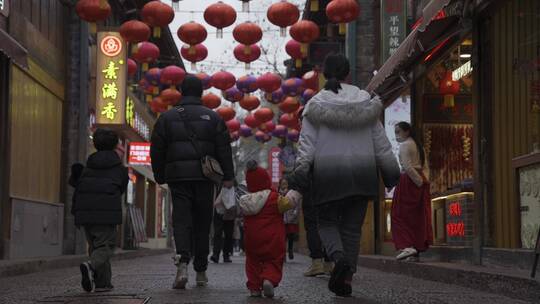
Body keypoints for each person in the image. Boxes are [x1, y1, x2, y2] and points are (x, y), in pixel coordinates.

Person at [290, 53, 400, 297]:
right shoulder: (366, 102)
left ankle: (338, 260)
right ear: (348, 74)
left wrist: (299, 177)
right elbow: (381, 143)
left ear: (323, 76)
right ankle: (346, 279)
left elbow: (306, 146)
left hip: (328, 176)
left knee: (327, 223)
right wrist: (392, 173)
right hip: (363, 175)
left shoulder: (315, 105)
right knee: (352, 229)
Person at [150, 75, 235, 289]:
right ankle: (201, 271)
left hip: (178, 176)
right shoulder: (213, 118)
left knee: (181, 220)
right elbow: (224, 150)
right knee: (202, 223)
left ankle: (182, 264)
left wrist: (159, 175)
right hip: (205, 178)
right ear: (200, 93)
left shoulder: (167, 118)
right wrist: (228, 176)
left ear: (181, 91)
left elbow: (157, 150)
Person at [70, 128, 129, 293]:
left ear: (95, 144)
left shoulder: (89, 165)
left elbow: (78, 185)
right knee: (107, 246)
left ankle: (103, 283)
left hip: (84, 211)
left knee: (96, 246)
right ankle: (91, 265)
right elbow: (121, 190)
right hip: (106, 212)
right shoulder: (120, 169)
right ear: (115, 145)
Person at [239, 162, 293, 298]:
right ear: (266, 180)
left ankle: (254, 288)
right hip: (273, 239)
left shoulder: (245, 201)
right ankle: (269, 279)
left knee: (252, 262)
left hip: (252, 240)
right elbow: (289, 203)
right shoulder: (274, 198)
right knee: (273, 260)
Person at [392, 121, 433, 261]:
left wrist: (418, 181)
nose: (396, 135)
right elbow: (425, 166)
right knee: (417, 215)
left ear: (407, 131)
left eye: (398, 131)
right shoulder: (418, 146)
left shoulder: (404, 145)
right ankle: (416, 249)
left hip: (408, 180)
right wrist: (423, 180)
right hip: (420, 178)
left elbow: (407, 166)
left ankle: (407, 246)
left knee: (399, 214)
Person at [210, 187, 236, 263]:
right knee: (218, 232)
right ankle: (216, 254)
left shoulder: (228, 182)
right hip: (219, 210)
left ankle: (225, 254)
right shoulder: (217, 182)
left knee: (228, 233)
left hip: (229, 210)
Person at [280, 178, 299, 260]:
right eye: (282, 183)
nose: (284, 185)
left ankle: (290, 250)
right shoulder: (278, 193)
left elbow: (297, 204)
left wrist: (294, 214)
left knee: (290, 236)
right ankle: (283, 254)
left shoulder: (292, 193)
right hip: (281, 219)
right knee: (282, 237)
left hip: (291, 218)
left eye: (286, 183)